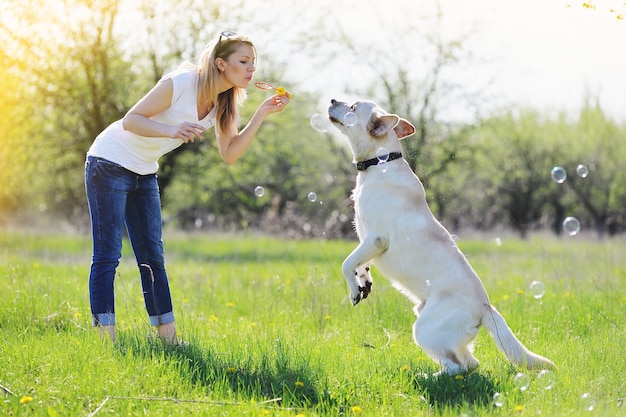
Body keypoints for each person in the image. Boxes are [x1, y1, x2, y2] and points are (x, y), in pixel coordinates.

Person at [84, 31, 290, 344]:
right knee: (108, 255)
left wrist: (261, 113)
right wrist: (172, 129)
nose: (251, 69)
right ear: (221, 64)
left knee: (152, 257)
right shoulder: (181, 83)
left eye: (254, 63)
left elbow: (230, 154)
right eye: (244, 61)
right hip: (109, 161)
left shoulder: (224, 103)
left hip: (143, 171)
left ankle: (169, 341)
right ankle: (104, 342)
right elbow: (131, 120)